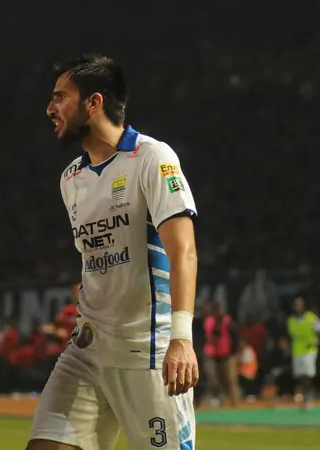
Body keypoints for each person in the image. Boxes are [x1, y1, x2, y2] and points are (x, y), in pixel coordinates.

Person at [28, 54, 199, 450]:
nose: (50, 108)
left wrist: (182, 338)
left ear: (94, 102)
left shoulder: (152, 158)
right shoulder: (71, 178)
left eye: (60, 97)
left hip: (147, 353)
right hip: (87, 349)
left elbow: (184, 251)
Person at [286, 296, 320, 409]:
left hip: (309, 350)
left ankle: (309, 396)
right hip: (297, 350)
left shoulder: (310, 317)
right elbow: (290, 336)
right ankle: (305, 395)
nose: (297, 307)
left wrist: (316, 341)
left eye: (299, 304)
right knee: (301, 376)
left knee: (308, 374)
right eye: (295, 305)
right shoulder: (291, 320)